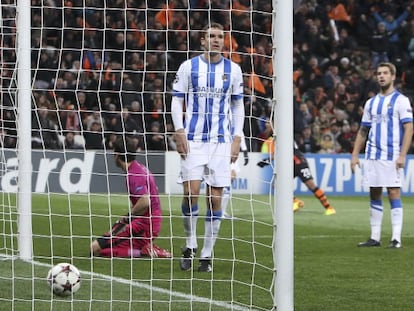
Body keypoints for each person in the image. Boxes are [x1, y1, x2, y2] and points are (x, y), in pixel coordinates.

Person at [171, 23, 245, 272]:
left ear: (224, 41)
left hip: (221, 141)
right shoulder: (188, 67)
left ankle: (206, 254)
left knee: (215, 199)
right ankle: (190, 245)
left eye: (220, 37)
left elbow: (238, 106)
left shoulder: (233, 70)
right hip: (192, 139)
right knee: (191, 193)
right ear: (202, 40)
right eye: (211, 36)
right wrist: (179, 130)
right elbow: (177, 99)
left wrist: (237, 137)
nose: (215, 40)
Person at [351, 62, 413, 249]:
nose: (381, 76)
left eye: (385, 73)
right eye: (379, 73)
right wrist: (354, 154)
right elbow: (363, 130)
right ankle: (375, 237)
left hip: (392, 155)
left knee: (393, 192)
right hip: (372, 155)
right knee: (374, 192)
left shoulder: (401, 101)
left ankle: (396, 238)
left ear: (393, 76)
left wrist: (402, 155)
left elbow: (409, 128)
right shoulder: (371, 103)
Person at [90, 137, 171, 258]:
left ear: (117, 155)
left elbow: (145, 202)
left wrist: (126, 219)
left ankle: (146, 252)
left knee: (95, 249)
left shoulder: (133, 175)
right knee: (106, 243)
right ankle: (143, 248)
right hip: (147, 222)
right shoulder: (139, 168)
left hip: (144, 226)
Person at [257, 141, 336, 216]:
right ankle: (295, 201)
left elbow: (280, 152)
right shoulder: (282, 137)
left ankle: (329, 208)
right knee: (277, 184)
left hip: (299, 162)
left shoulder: (284, 136)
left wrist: (266, 160)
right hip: (292, 164)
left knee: (311, 185)